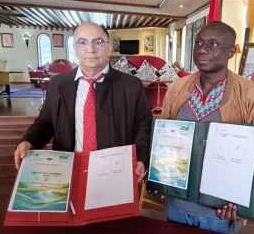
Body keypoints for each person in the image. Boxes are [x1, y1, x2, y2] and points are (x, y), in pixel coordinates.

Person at [156, 21, 254, 234]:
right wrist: (162, 178)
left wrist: (242, 198)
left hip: (219, 213)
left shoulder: (253, 96)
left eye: (213, 44)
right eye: (199, 43)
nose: (202, 49)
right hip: (177, 205)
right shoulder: (177, 89)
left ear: (231, 52)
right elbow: (164, 142)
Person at [15, 23, 152, 182]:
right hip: (69, 170)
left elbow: (144, 126)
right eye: (83, 42)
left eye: (98, 42)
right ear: (75, 48)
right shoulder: (58, 85)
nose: (90, 49)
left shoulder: (131, 86)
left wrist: (141, 158)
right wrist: (29, 140)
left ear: (109, 47)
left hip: (116, 171)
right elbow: (46, 122)